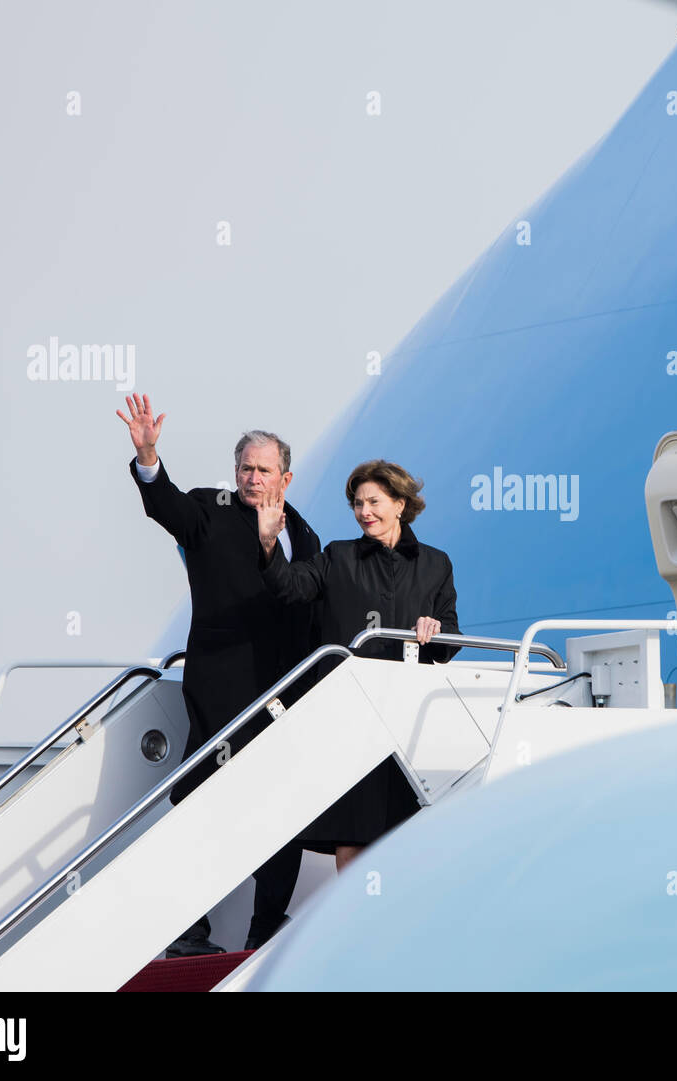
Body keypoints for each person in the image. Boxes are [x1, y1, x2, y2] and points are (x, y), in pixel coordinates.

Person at [118, 393, 322, 956]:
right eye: (245, 468)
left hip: (281, 689)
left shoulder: (305, 536)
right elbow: (166, 507)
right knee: (198, 800)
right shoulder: (210, 510)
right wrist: (149, 458)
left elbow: (308, 603)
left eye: (263, 470)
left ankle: (264, 930)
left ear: (285, 476)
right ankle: (189, 932)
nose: (253, 479)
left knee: (282, 809)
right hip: (218, 685)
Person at [250, 460, 459, 927]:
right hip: (351, 719)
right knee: (353, 838)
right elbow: (290, 588)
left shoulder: (436, 564)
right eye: (358, 504)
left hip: (409, 723)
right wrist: (268, 543)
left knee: (407, 835)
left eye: (374, 502)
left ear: (400, 505)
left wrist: (435, 630)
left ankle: (395, 931)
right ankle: (355, 933)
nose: (364, 512)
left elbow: (451, 640)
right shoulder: (338, 556)